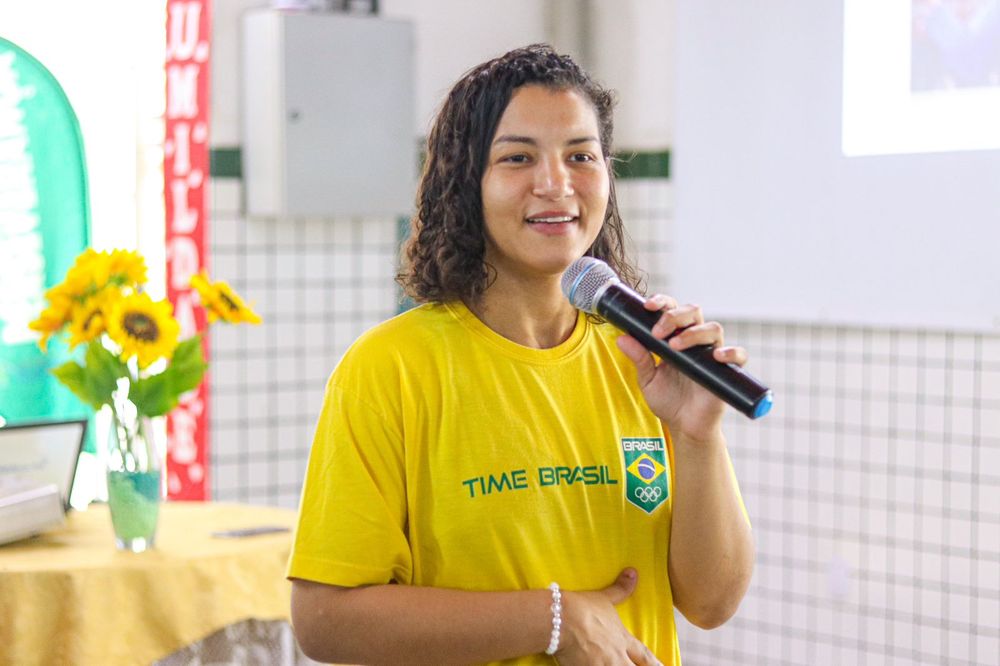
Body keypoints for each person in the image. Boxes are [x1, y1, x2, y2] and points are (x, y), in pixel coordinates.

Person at [287, 44, 754, 665]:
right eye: (517, 157)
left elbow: (711, 602)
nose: (555, 184)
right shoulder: (389, 369)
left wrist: (698, 434)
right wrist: (552, 620)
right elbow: (325, 622)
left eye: (581, 156)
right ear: (465, 182)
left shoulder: (645, 361)